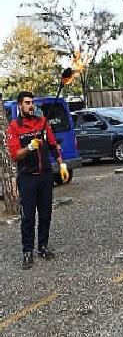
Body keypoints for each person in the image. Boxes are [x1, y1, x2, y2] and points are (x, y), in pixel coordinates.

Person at [7, 91, 69, 270]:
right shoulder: (14, 127)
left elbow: (52, 145)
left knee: (45, 214)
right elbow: (14, 155)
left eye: (32, 102)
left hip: (45, 176)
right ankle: (27, 251)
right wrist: (28, 147)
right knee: (28, 217)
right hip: (27, 178)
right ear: (20, 106)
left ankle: (43, 246)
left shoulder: (42, 122)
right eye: (27, 103)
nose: (30, 105)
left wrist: (62, 164)